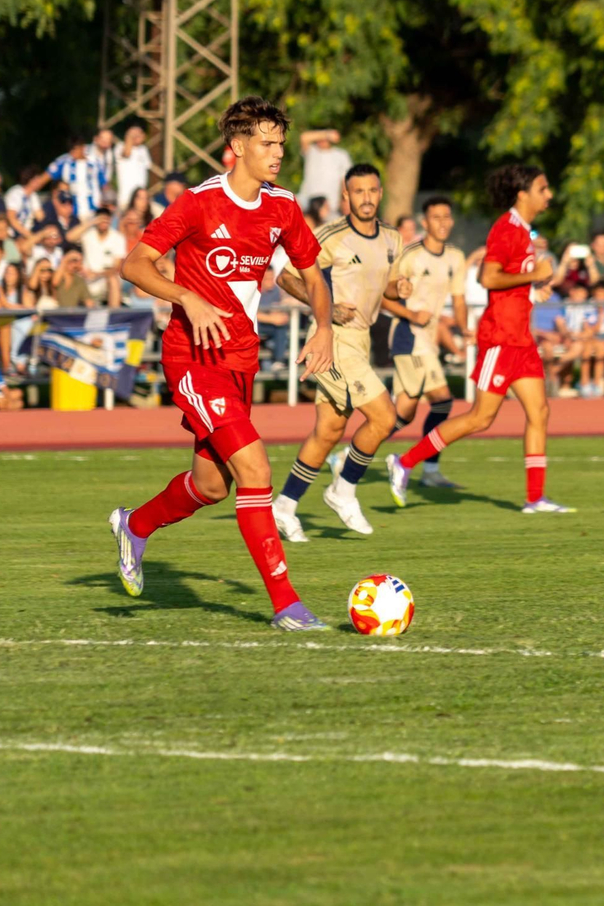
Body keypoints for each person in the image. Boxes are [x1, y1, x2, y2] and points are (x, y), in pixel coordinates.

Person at [113, 95, 335, 631]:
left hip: (240, 360)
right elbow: (134, 264)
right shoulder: (196, 203)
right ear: (236, 149)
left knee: (212, 486)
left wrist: (324, 325)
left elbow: (312, 273)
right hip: (192, 358)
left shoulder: (282, 207)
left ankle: (134, 525)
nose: (278, 152)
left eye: (281, 142)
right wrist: (184, 297)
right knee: (256, 469)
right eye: (267, 143)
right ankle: (287, 604)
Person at [387, 164, 574, 513]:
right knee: (480, 418)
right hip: (501, 338)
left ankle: (535, 499)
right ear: (523, 193)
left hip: (521, 338)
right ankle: (405, 462)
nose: (549, 194)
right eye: (543, 188)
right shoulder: (507, 228)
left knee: (540, 411)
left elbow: (512, 283)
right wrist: (535, 273)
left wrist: (532, 292)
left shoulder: (524, 230)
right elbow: (489, 278)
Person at [272, 164, 408, 540]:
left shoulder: (393, 239)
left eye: (372, 191)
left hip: (359, 339)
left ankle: (284, 506)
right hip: (333, 338)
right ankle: (343, 489)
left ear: (380, 193)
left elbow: (386, 287)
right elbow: (285, 274)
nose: (366, 198)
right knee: (384, 418)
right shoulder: (331, 235)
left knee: (329, 429)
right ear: (346, 196)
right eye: (357, 192)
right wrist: (327, 309)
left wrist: (402, 288)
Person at [381, 195, 469, 489]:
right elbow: (385, 296)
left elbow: (458, 299)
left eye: (447, 217)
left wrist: (465, 328)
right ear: (424, 222)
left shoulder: (455, 257)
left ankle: (348, 457)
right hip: (408, 335)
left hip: (427, 340)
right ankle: (427, 468)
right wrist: (410, 312)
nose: (442, 223)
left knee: (403, 415)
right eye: (436, 217)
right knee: (443, 401)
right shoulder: (412, 255)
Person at [297, 128, 353, 219]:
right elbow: (304, 138)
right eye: (319, 137)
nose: (321, 140)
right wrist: (327, 134)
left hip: (330, 207)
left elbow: (345, 182)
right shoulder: (312, 151)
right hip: (307, 201)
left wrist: (345, 201)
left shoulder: (341, 155)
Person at [115, 125, 154, 205]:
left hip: (141, 197)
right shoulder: (120, 147)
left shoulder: (143, 149)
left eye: (139, 134)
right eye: (134, 135)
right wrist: (130, 136)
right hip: (126, 198)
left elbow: (148, 168)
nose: (137, 137)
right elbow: (126, 154)